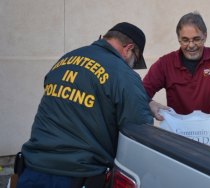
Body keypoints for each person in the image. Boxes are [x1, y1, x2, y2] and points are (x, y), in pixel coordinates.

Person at [16, 22, 153, 188]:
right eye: (135, 61)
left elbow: (81, 101)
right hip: (78, 175)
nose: (132, 66)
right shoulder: (124, 74)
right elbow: (139, 132)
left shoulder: (66, 59)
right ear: (128, 49)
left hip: (32, 169)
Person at [143, 11, 210, 151]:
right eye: (185, 40)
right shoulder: (165, 63)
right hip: (179, 147)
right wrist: (149, 103)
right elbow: (140, 92)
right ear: (178, 39)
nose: (191, 45)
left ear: (205, 37)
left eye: (196, 39)